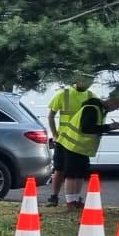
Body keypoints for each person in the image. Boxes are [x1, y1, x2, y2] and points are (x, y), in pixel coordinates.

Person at [55, 87, 119, 206]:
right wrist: (110, 127)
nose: (117, 108)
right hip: (72, 145)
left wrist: (115, 126)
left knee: (79, 173)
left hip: (79, 146)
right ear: (113, 99)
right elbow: (87, 128)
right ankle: (71, 201)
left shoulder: (99, 109)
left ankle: (75, 199)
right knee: (73, 174)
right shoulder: (92, 108)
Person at [47, 74, 96, 206]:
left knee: (77, 171)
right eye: (85, 80)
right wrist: (55, 134)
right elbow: (51, 116)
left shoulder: (92, 96)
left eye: (91, 81)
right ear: (78, 79)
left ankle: (75, 198)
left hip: (80, 141)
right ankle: (54, 197)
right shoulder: (64, 94)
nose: (88, 83)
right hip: (63, 139)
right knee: (59, 169)